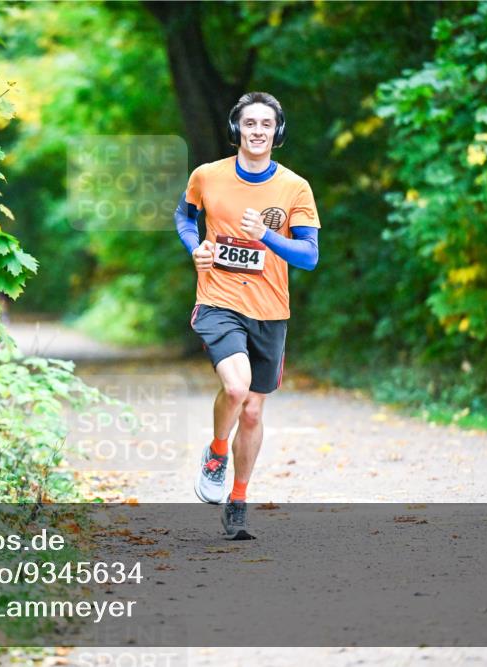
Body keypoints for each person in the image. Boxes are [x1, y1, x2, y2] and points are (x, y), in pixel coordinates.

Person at [174, 91, 321, 539]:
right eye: (250, 123)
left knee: (254, 412)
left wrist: (267, 238)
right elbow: (184, 217)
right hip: (218, 299)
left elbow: (310, 255)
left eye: (267, 124)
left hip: (270, 309)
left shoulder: (294, 188)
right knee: (236, 388)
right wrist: (194, 246)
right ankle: (217, 453)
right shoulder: (207, 175)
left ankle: (238, 500)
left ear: (278, 132)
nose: (258, 131)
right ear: (237, 128)